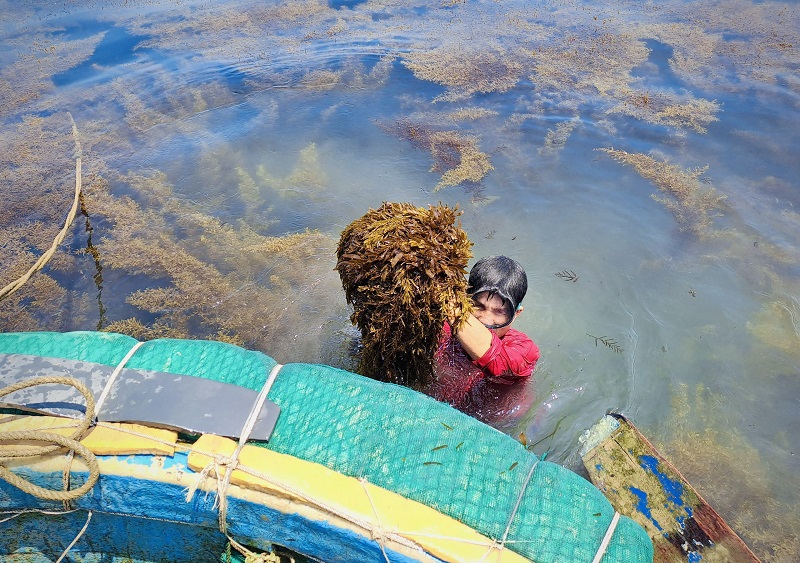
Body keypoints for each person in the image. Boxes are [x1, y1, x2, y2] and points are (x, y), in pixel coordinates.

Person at [429, 255, 540, 424]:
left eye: (499, 312)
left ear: (516, 314)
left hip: (492, 424)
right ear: (466, 300)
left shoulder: (525, 350)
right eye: (479, 306)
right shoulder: (444, 327)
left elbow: (496, 362)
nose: (486, 320)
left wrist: (452, 305)